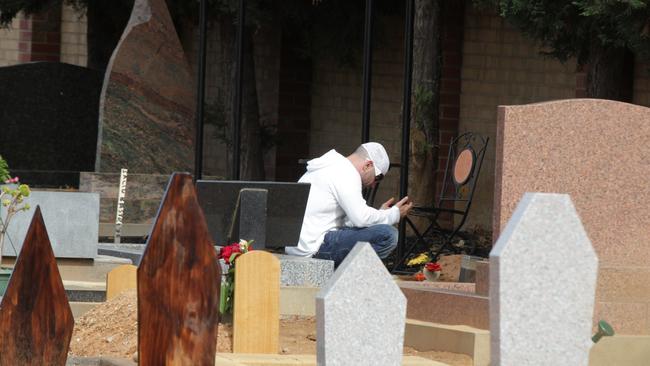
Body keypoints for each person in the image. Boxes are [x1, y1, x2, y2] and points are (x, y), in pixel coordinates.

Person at [285, 142, 412, 266]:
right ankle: (349, 279)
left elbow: (348, 222)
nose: (373, 185)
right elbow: (361, 219)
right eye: (377, 178)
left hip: (300, 246)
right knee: (388, 235)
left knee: (377, 230)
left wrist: (381, 214)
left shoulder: (331, 166)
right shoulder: (346, 172)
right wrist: (393, 214)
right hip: (314, 248)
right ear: (368, 165)